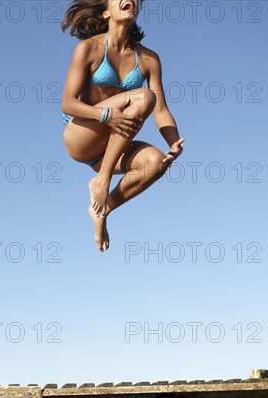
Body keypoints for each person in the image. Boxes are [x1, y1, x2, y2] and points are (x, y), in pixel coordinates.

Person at [61, 0, 185, 252]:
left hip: (111, 149)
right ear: (106, 11)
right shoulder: (89, 48)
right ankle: (102, 179)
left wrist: (174, 143)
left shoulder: (149, 59)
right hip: (82, 134)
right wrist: (106, 115)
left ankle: (102, 208)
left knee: (155, 163)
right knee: (143, 97)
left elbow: (161, 111)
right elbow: (67, 103)